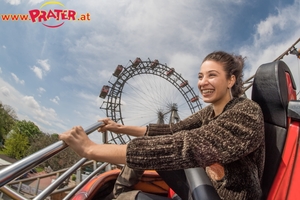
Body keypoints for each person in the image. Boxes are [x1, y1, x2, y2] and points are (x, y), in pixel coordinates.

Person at [59, 51, 265, 200]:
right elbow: (172, 130)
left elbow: (187, 146)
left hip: (228, 196)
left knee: (165, 149)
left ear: (231, 80)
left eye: (212, 75)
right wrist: (119, 128)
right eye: (200, 76)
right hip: (206, 183)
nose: (203, 82)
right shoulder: (209, 112)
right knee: (154, 141)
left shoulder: (246, 112)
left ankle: (125, 197)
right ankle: (120, 192)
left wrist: (92, 149)